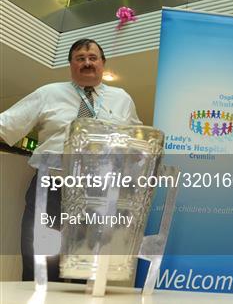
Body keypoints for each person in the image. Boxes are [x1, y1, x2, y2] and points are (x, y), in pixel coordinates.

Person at [0, 38, 141, 281]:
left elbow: (137, 142)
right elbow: (6, 124)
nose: (87, 63)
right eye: (80, 58)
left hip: (98, 194)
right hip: (52, 188)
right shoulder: (49, 93)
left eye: (92, 58)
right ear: (71, 65)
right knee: (41, 265)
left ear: (102, 63)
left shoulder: (122, 99)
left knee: (85, 269)